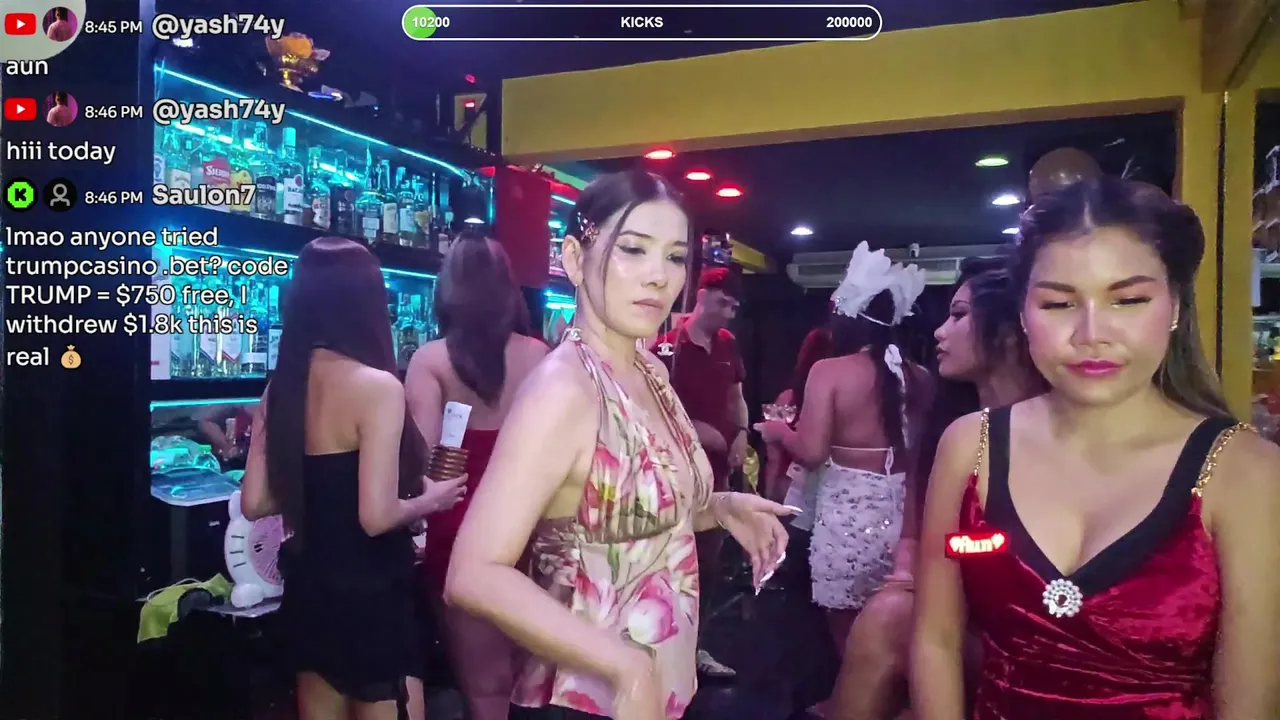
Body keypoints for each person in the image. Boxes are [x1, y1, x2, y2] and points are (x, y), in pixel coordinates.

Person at [912, 178, 1280, 719]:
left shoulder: (1245, 470)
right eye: (1059, 303)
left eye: (1128, 300)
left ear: (1175, 306)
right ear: (1023, 315)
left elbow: (1250, 701)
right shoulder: (971, 446)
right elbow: (936, 642)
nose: (1091, 333)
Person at [443, 170, 795, 720]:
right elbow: (473, 574)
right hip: (584, 697)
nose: (658, 275)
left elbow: (633, 513)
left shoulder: (649, 370)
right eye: (633, 249)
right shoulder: (564, 390)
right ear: (575, 259)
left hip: (656, 688)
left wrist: (722, 507)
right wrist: (624, 667)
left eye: (675, 257)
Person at [238, 237, 464, 720]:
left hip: (310, 591)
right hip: (372, 595)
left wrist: (316, 489)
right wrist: (431, 500)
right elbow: (375, 516)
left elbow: (254, 502)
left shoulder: (281, 387)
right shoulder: (377, 387)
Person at [830, 260, 1045, 720]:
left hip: (1039, 630)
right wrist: (909, 574)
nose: (939, 332)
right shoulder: (949, 428)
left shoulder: (1053, 431)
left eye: (959, 315)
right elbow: (920, 531)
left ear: (1011, 330)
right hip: (959, 616)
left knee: (889, 621)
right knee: (887, 615)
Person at [756, 241, 930, 652]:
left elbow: (812, 452)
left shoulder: (829, 371)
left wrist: (778, 433)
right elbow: (917, 458)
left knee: (846, 636)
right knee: (893, 631)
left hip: (847, 517)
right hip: (901, 515)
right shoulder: (920, 376)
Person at [406, 232, 549, 720]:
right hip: (530, 526)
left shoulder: (431, 360)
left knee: (484, 692)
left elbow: (422, 463)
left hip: (460, 533)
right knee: (528, 681)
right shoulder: (539, 356)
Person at [648, 265, 748, 679]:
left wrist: (741, 433)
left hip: (716, 476)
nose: (728, 314)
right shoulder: (668, 345)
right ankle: (659, 646)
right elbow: (653, 410)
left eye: (734, 307)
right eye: (723, 303)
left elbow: (737, 396)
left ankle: (695, 648)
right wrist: (698, 431)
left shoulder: (727, 344)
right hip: (674, 476)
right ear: (701, 296)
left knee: (708, 564)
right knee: (669, 561)